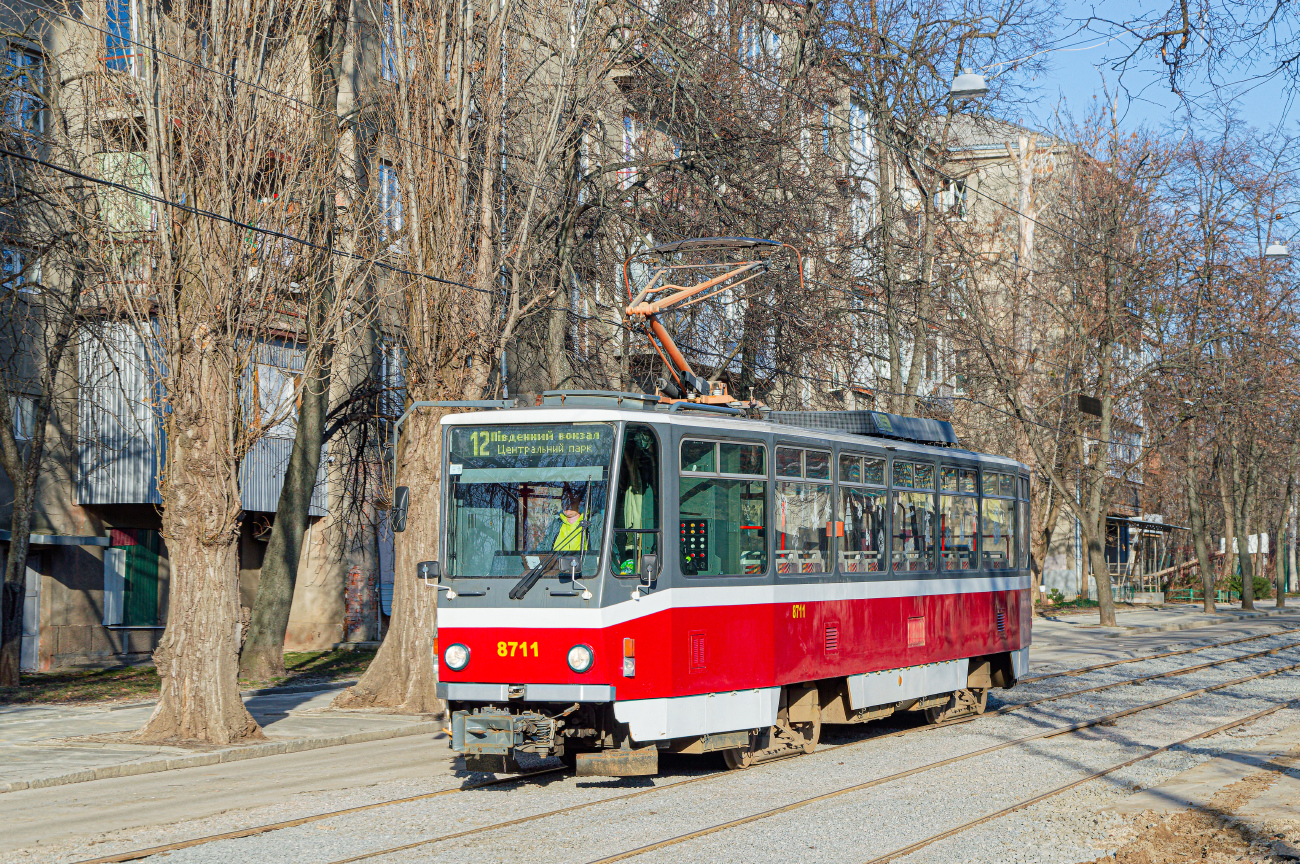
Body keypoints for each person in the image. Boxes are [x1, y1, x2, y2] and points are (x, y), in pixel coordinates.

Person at [543, 484, 587, 552]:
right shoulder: (556, 524)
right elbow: (543, 548)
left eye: (572, 500)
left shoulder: (592, 524)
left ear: (580, 502)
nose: (567, 503)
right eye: (565, 500)